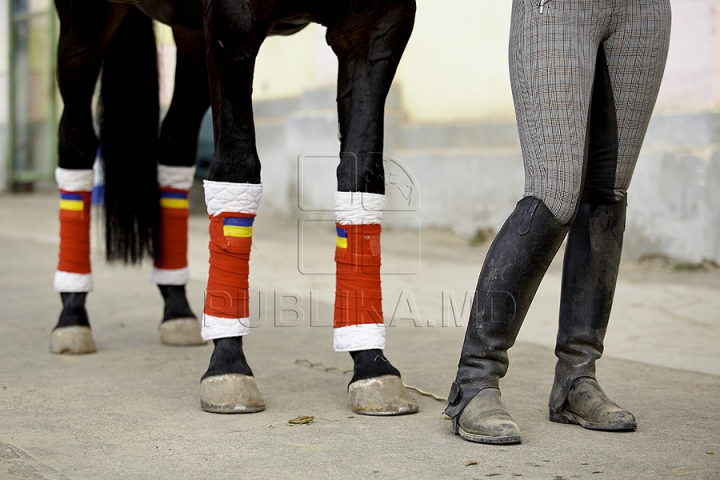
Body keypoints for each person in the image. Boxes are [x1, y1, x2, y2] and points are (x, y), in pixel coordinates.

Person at [445, 0, 672, 444]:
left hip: (643, 11)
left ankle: (576, 377)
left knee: (608, 191)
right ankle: (474, 381)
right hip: (560, 10)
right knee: (555, 192)